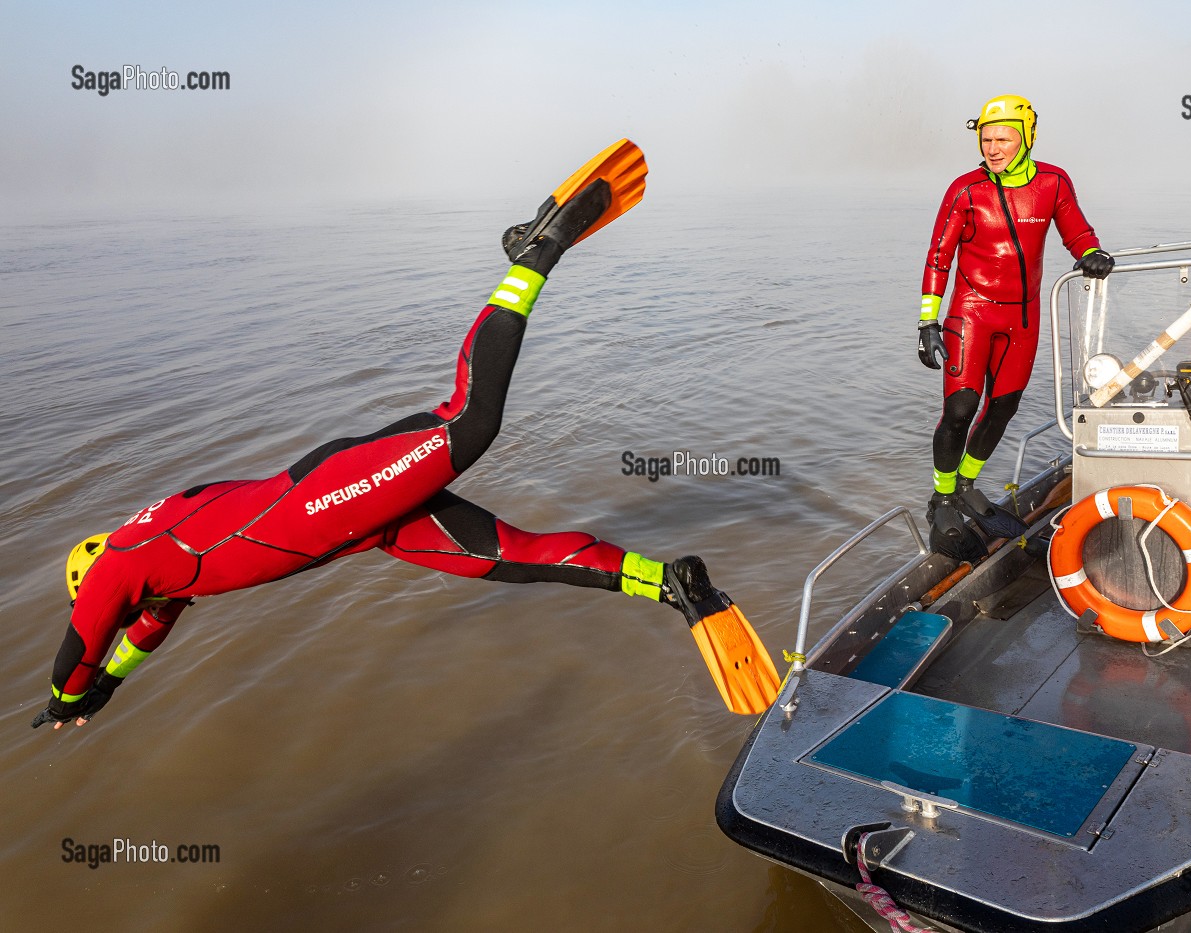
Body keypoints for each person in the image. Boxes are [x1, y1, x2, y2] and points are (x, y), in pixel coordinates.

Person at [33, 145, 779, 731]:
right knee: (511, 559)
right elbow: (142, 631)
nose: (134, 614)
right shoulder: (160, 568)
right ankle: (673, 582)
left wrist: (72, 695)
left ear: (95, 566)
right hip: (366, 526)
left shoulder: (122, 562)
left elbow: (86, 636)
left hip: (334, 498)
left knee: (470, 420)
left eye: (121, 604)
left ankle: (532, 256)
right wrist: (110, 685)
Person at [919, 94, 1113, 554]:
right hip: (971, 311)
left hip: (1022, 317)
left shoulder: (1053, 182)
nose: (993, 147)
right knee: (961, 409)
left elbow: (1076, 231)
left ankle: (966, 485)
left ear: (1026, 137)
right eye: (986, 139)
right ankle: (941, 496)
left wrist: (1091, 254)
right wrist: (928, 321)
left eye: (1003, 138)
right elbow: (939, 256)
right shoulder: (966, 190)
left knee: (1003, 408)